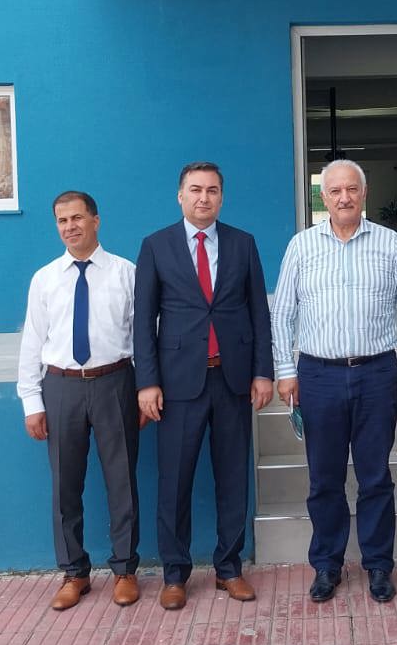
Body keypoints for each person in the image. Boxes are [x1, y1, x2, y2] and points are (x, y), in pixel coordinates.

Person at [271, 159, 397, 604]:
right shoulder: (302, 246)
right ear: (323, 197)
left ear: (364, 192)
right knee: (324, 478)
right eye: (335, 191)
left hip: (376, 374)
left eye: (351, 189)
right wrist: (285, 371)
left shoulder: (390, 243)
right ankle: (327, 564)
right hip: (318, 375)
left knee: (375, 476)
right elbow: (282, 313)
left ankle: (378, 564)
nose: (344, 198)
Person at [134, 162, 273, 609]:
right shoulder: (155, 246)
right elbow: (143, 321)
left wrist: (263, 371)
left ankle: (229, 568)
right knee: (174, 481)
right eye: (195, 190)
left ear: (221, 197)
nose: (203, 198)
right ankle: (175, 574)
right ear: (180, 196)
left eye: (212, 190)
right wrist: (147, 382)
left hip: (232, 380)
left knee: (233, 477)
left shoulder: (243, 243)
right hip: (178, 384)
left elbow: (258, 313)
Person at [17, 191, 140, 610]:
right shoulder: (45, 279)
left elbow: (142, 337)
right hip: (61, 387)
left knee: (122, 480)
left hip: (114, 382)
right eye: (62, 220)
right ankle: (74, 573)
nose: (70, 227)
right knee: (65, 484)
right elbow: (32, 343)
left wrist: (143, 391)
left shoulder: (126, 273)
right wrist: (32, 402)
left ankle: (124, 569)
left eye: (77, 218)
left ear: (95, 220)